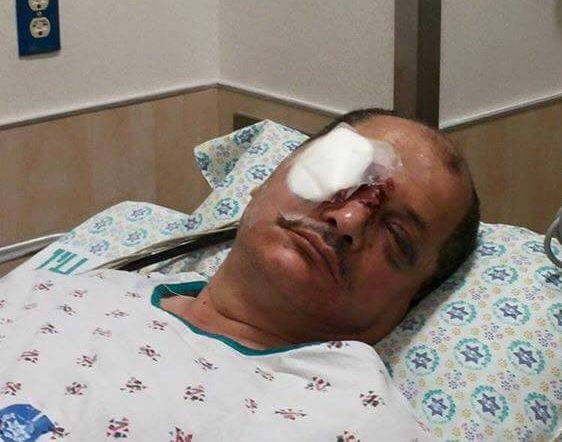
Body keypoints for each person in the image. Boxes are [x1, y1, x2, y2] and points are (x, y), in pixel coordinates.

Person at [0, 109, 479, 441]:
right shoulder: (65, 287)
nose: (348, 219)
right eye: (339, 174)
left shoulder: (356, 416)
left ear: (406, 304)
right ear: (264, 182)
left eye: (396, 236)